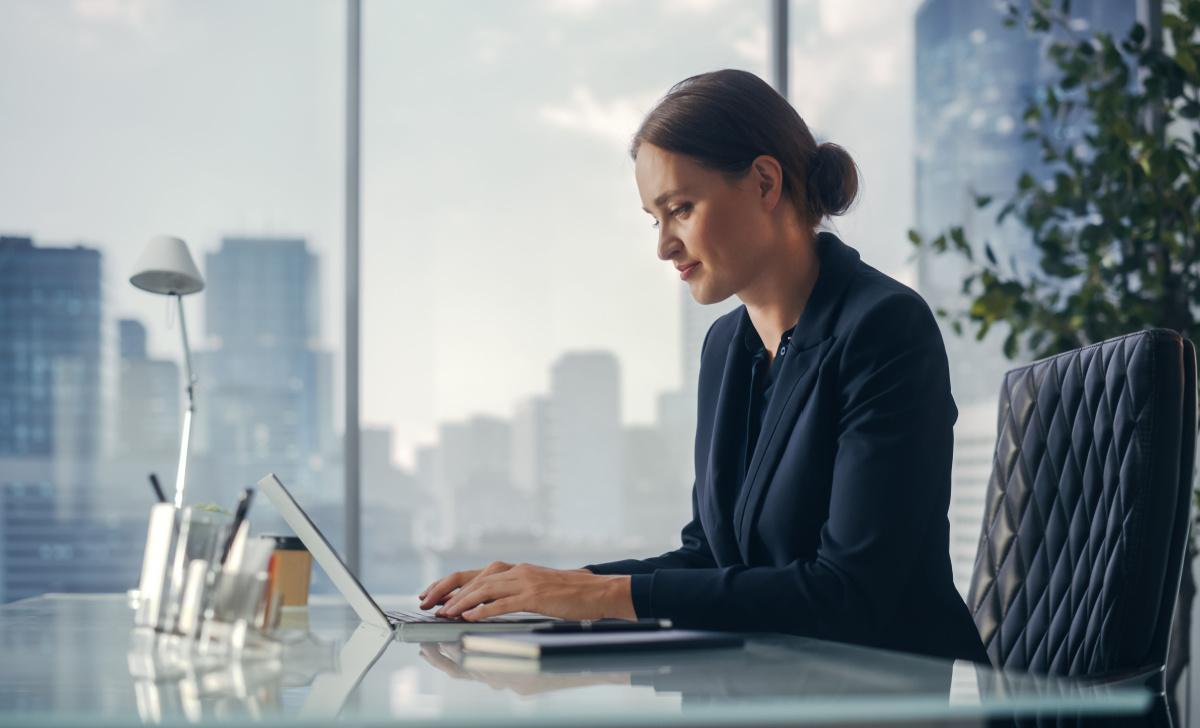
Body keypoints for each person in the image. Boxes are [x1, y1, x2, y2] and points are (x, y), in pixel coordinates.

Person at [417, 68, 988, 663]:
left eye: (680, 209)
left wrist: (601, 593)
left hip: (895, 694)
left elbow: (849, 592)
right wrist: (548, 588)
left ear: (765, 183)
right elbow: (709, 558)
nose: (663, 245)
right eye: (654, 218)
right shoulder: (726, 347)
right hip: (767, 685)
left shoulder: (883, 327)